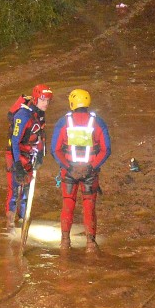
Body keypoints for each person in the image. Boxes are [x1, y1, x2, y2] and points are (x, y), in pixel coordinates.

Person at [51, 89, 111, 253]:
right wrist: (92, 166)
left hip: (69, 171)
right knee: (89, 207)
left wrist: (68, 166)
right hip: (90, 172)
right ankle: (90, 244)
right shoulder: (98, 122)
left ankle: (64, 242)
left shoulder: (63, 122)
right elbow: (106, 150)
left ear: (72, 103)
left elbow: (55, 150)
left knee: (67, 205)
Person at [6, 84, 53, 229]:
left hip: (30, 155)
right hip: (15, 154)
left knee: (26, 192)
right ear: (36, 99)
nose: (46, 103)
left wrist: (39, 155)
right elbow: (15, 141)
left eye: (48, 100)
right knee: (14, 191)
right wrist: (17, 164)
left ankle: (23, 220)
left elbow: (40, 137)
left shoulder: (40, 115)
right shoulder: (23, 115)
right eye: (43, 100)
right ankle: (9, 224)